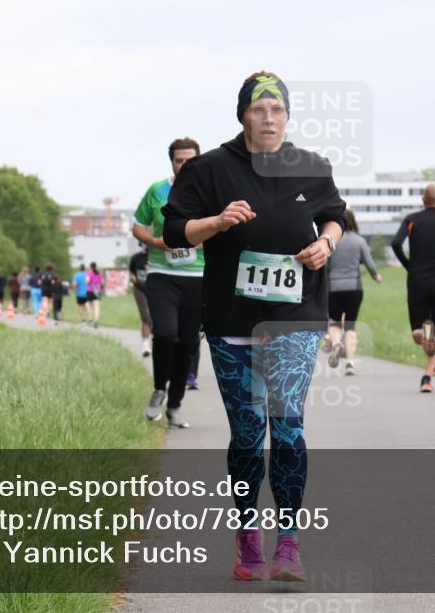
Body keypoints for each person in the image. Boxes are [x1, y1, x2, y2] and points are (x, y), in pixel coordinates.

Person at [163, 71, 346, 583]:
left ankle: (288, 541)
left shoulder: (312, 166)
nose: (269, 119)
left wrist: (326, 243)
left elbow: (335, 216)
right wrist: (218, 222)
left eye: (277, 110)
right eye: (259, 109)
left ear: (288, 116)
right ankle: (248, 534)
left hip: (295, 316)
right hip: (232, 318)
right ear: (243, 114)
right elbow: (174, 231)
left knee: (287, 426)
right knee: (247, 433)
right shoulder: (208, 169)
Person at [132, 137, 205, 428]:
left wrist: (206, 240)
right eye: (179, 161)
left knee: (187, 343)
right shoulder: (157, 190)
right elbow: (138, 226)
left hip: (198, 278)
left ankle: (175, 405)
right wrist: (157, 242)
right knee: (164, 333)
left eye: (190, 160)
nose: (184, 165)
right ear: (172, 162)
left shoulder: (211, 190)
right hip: (162, 276)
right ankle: (158, 389)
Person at [392, 184, 435, 393]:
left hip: (417, 279)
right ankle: (427, 378)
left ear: (423, 201)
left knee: (419, 329)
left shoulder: (411, 220)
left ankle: (421, 333)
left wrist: (409, 265)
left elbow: (396, 243)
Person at [326, 209, 382, 375]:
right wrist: (376, 276)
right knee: (350, 325)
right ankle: (350, 363)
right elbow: (369, 263)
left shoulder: (330, 240)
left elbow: (324, 266)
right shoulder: (359, 241)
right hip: (354, 288)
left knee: (335, 322)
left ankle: (336, 343)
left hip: (333, 288)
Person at [128, 248, 153, 357]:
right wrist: (132, 277)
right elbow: (131, 271)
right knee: (145, 315)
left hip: (155, 288)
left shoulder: (157, 255)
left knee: (155, 315)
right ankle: (146, 345)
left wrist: (151, 271)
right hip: (139, 288)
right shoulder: (136, 257)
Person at [87, 262, 104, 327]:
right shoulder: (100, 274)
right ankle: (96, 321)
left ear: (90, 267)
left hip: (90, 291)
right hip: (97, 291)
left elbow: (87, 281)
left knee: (90, 306)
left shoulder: (89, 273)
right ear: (96, 266)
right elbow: (102, 283)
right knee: (97, 307)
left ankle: (91, 319)